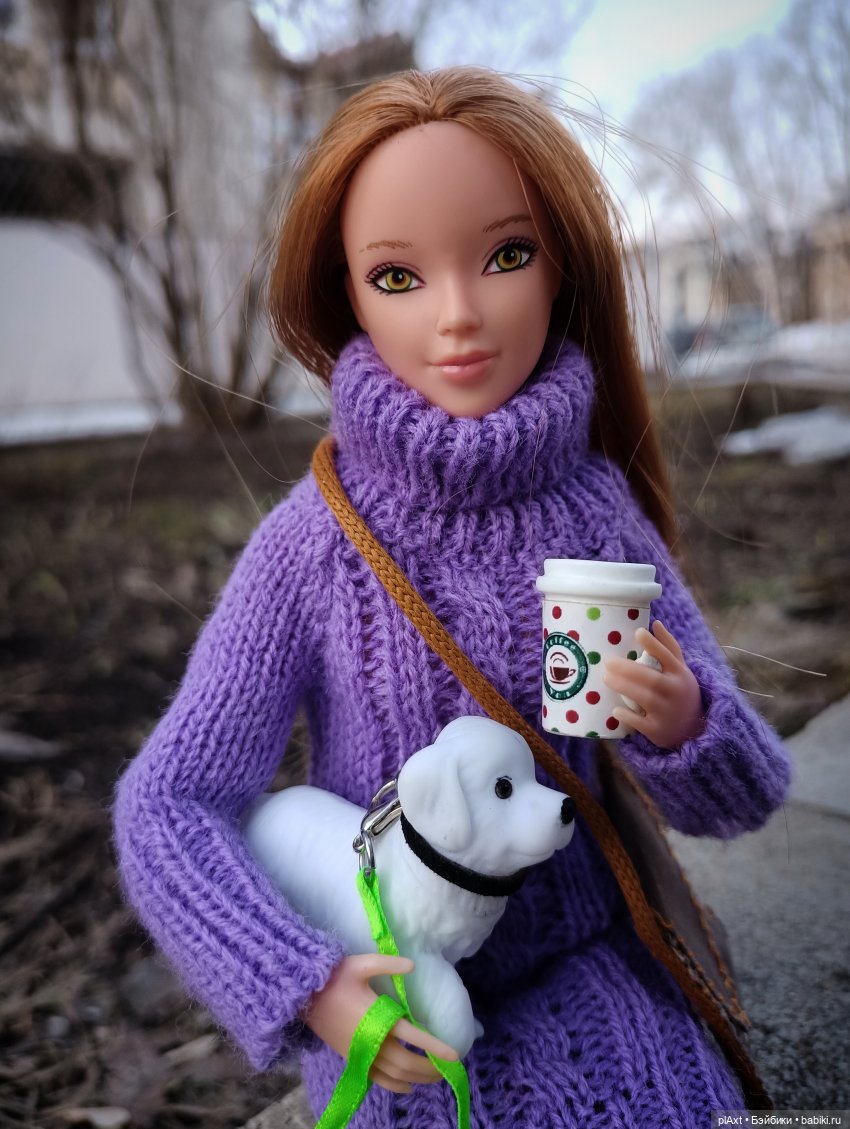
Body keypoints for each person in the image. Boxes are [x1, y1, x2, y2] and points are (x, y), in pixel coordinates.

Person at [114, 67, 790, 1127]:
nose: (460, 315)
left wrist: (683, 722)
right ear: (344, 293)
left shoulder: (594, 512)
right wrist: (305, 981)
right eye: (398, 276)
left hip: (592, 965)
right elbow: (168, 803)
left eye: (506, 256)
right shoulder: (317, 544)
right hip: (403, 1001)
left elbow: (742, 795)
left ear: (561, 269)